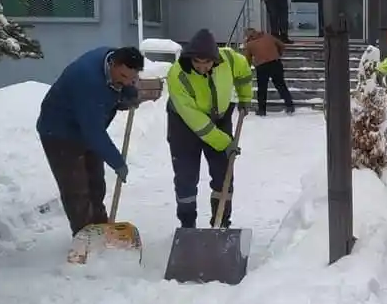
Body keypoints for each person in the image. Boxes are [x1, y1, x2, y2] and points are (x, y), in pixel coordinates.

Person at [37, 46, 144, 237]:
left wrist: (126, 93)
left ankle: (101, 232)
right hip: (59, 132)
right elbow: (93, 131)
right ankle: (85, 239)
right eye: (123, 76)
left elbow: (110, 96)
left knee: (96, 185)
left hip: (86, 125)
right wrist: (117, 162)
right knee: (76, 190)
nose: (126, 81)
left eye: (131, 78)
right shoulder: (87, 80)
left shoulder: (113, 61)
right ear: (112, 64)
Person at [166, 29, 254, 228]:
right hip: (184, 124)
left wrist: (245, 97)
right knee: (186, 176)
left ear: (215, 58)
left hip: (219, 116)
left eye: (207, 63)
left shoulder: (230, 59)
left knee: (224, 173)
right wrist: (225, 142)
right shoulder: (177, 75)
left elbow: (243, 73)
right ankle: (188, 225)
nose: (202, 68)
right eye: (197, 62)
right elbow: (195, 121)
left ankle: (221, 222)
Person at [243, 28, 294, 116]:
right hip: (276, 63)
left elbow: (247, 60)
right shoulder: (268, 36)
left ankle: (262, 110)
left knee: (262, 89)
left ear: (248, 36)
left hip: (262, 67)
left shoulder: (249, 44)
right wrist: (278, 54)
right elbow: (282, 45)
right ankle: (290, 106)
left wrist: (247, 69)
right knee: (281, 85)